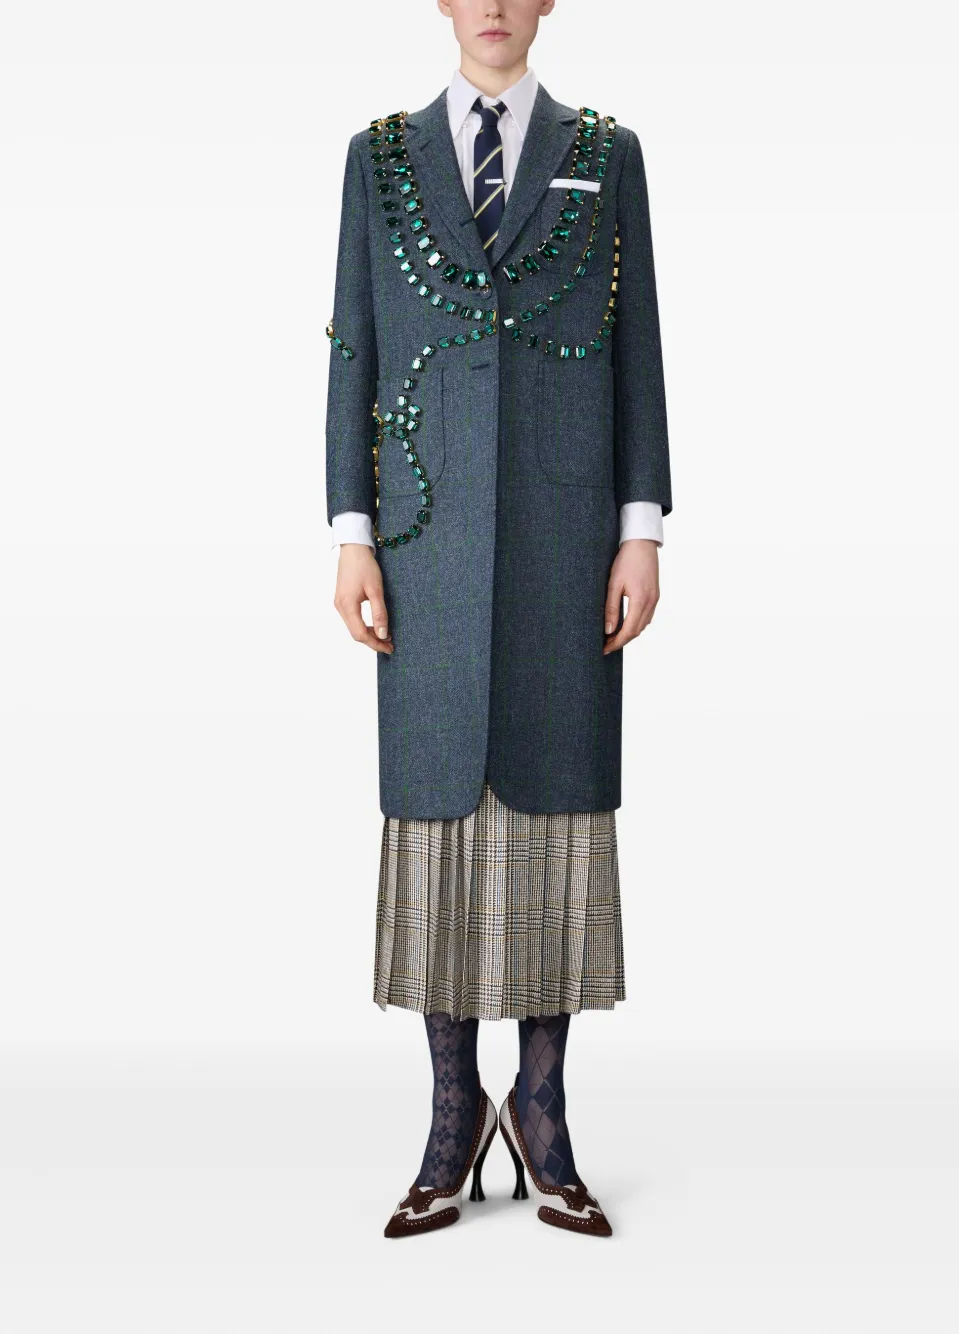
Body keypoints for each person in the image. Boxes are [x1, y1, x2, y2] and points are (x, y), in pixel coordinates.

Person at [324, 0, 671, 1239]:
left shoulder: (606, 153)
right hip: (423, 541)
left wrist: (641, 525)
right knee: (434, 807)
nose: (493, 6)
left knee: (558, 810)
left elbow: (639, 348)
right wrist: (350, 531)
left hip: (567, 540)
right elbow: (354, 348)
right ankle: (450, 1109)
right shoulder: (378, 158)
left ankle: (542, 1105)